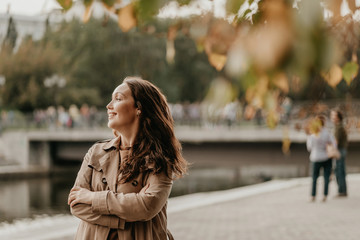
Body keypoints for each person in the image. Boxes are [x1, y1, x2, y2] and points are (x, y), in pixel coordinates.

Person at [68, 76, 188, 240]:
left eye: (117, 99)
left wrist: (91, 197)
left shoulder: (160, 157)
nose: (108, 106)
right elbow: (76, 205)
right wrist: (129, 213)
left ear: (139, 108)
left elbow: (147, 206)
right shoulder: (95, 152)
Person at [306, 115, 336, 202]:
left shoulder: (312, 134)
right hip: (326, 157)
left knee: (314, 178)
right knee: (326, 177)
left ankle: (313, 195)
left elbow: (309, 147)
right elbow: (333, 144)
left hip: (315, 157)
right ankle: (325, 195)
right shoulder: (327, 133)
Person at [330, 109, 348, 197]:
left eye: (333, 116)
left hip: (339, 151)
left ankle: (341, 191)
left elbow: (335, 142)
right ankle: (343, 190)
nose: (332, 117)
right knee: (341, 171)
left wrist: (330, 151)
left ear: (338, 117)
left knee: (339, 171)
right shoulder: (339, 126)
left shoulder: (338, 127)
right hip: (342, 150)